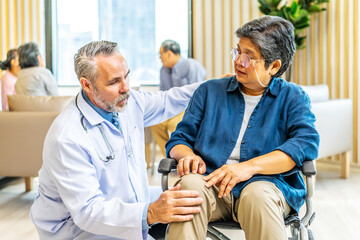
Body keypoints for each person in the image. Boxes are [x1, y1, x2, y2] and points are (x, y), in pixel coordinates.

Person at [165, 16, 320, 240]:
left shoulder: (293, 97)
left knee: (258, 195)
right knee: (189, 188)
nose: (238, 61)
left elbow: (304, 145)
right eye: (237, 52)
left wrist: (247, 168)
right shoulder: (209, 92)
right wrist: (187, 155)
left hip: (267, 186)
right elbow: (179, 138)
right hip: (211, 184)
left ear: (274, 66)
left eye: (249, 57)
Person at [30, 40, 204, 240]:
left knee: (189, 198)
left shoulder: (124, 102)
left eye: (126, 76)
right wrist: (152, 211)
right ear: (87, 84)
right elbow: (88, 211)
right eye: (114, 82)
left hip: (121, 210)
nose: (126, 88)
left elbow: (168, 100)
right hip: (78, 232)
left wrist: (213, 87)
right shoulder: (67, 138)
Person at [150, 40, 206, 157]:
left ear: (169, 53)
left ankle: (187, 156)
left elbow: (199, 94)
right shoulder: (163, 70)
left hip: (189, 109)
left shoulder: (191, 65)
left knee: (175, 125)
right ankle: (170, 157)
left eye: (161, 54)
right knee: (155, 124)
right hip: (172, 109)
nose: (160, 57)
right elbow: (163, 93)